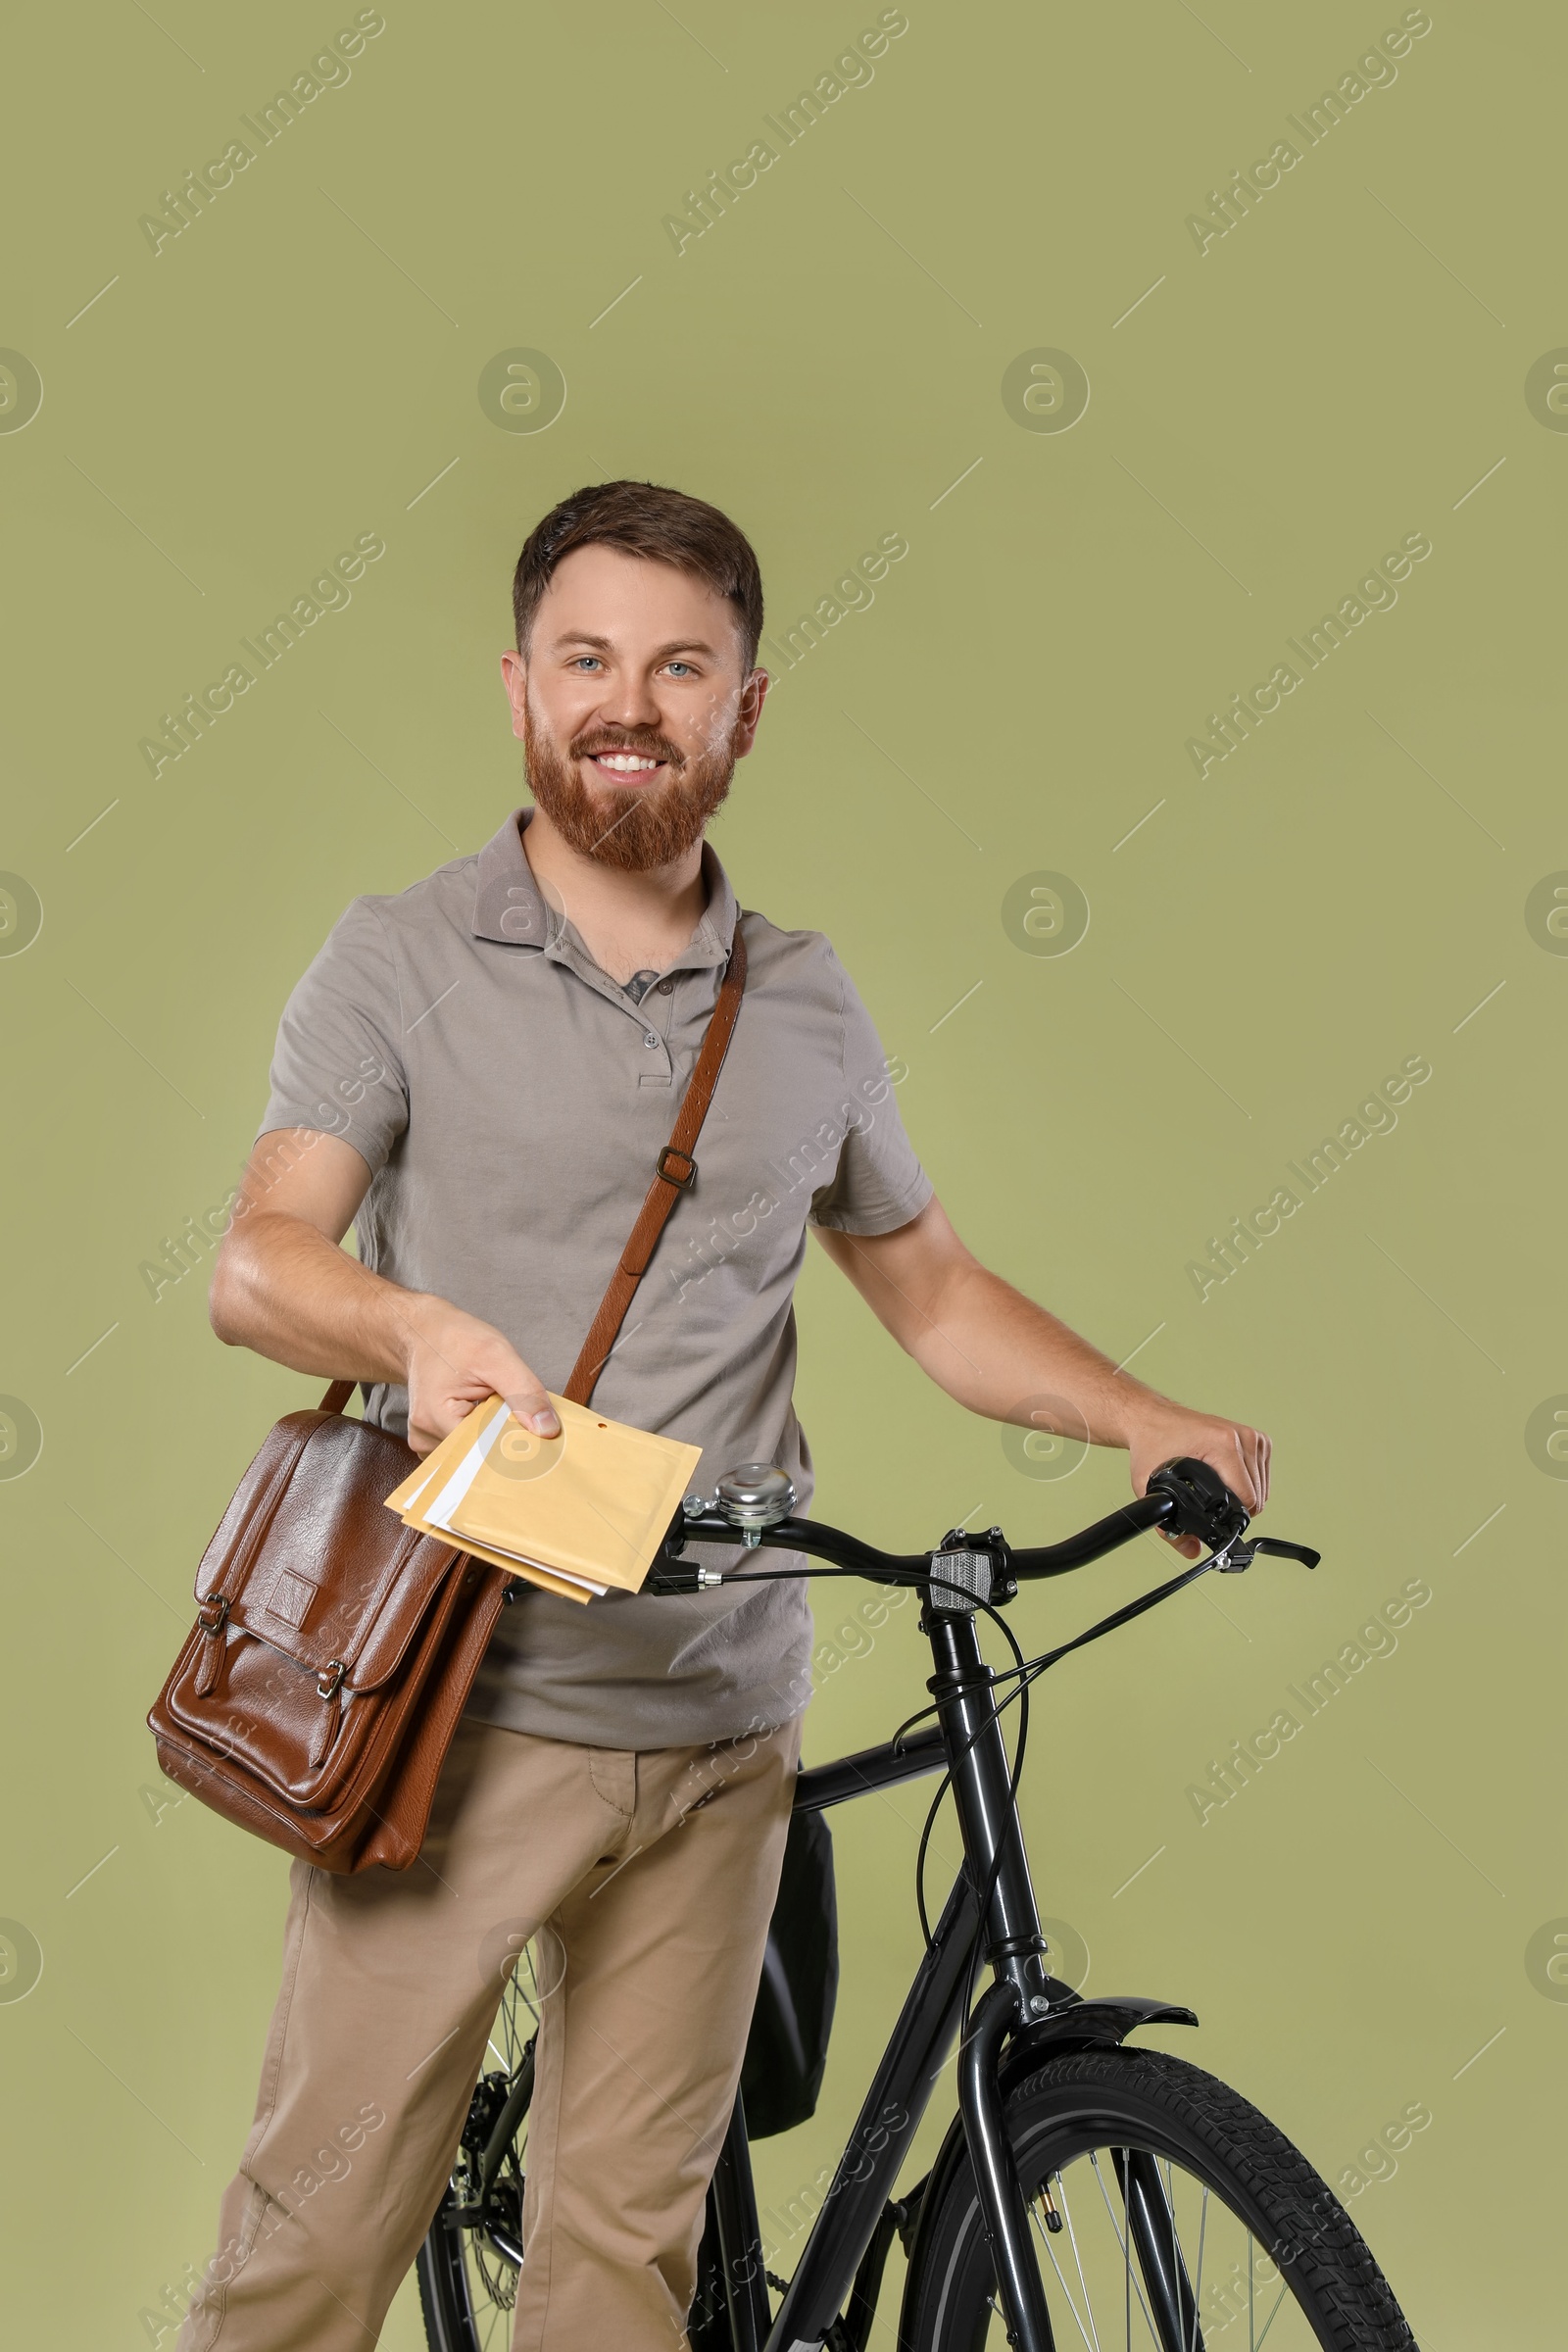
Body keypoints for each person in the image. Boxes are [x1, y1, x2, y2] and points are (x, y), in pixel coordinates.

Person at [179, 479, 1270, 2350]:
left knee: (626, 2269)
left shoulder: (809, 1007)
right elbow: (258, 1261)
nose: (633, 701)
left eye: (681, 666)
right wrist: (420, 1326)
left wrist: (1151, 1417)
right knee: (313, 2254)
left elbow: (926, 1284)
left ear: (744, 709)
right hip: (454, 1718)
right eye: (591, 659)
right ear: (521, 688)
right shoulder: (402, 958)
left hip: (718, 1734)